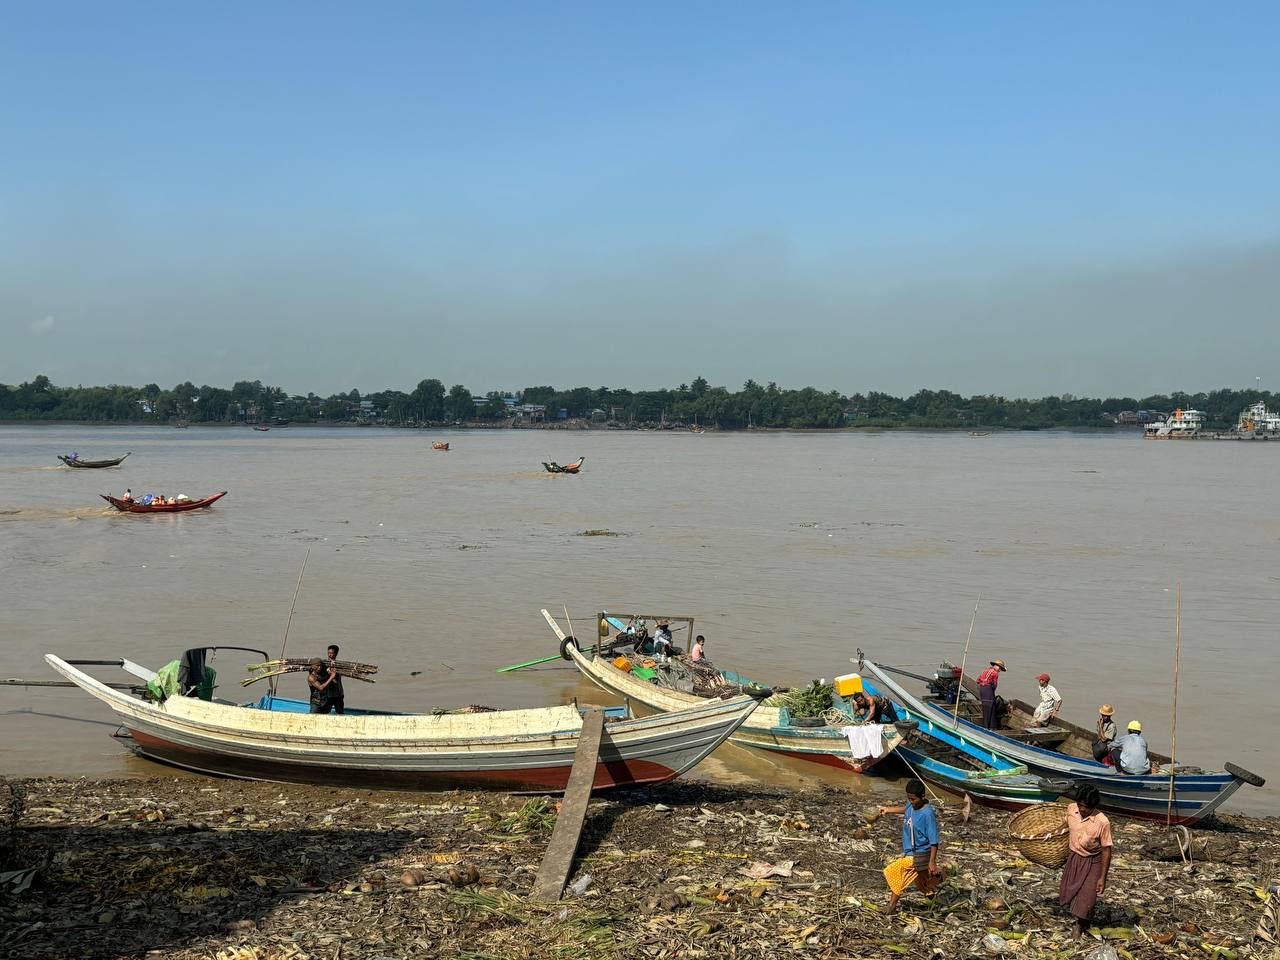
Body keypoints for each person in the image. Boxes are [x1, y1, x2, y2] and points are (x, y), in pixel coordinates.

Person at [879, 779, 942, 914]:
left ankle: (891, 906)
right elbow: (906, 809)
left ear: (922, 797)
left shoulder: (927, 814)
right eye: (909, 799)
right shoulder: (911, 805)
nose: (911, 802)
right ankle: (933, 902)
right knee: (922, 881)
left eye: (913, 799)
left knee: (895, 871)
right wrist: (889, 810)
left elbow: (934, 841)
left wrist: (932, 862)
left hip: (920, 853)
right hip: (910, 849)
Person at [1059, 785, 1112, 939]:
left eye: (1087, 807)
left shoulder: (1102, 822)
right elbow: (1065, 826)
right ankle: (1085, 918)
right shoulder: (1071, 809)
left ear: (1094, 806)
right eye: (1080, 805)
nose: (1082, 809)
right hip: (1075, 856)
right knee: (1073, 890)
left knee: (1088, 894)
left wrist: (1103, 877)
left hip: (1093, 860)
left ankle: (1079, 924)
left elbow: (1107, 850)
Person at [975, 659, 1006, 729]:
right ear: (996, 666)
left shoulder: (985, 670)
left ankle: (988, 726)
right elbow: (995, 685)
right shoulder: (995, 673)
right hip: (988, 690)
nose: (999, 670)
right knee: (990, 708)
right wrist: (990, 688)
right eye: (1000, 668)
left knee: (986, 708)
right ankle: (988, 727)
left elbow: (978, 680)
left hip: (982, 690)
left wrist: (983, 685)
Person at [324, 644, 345, 714]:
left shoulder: (339, 665)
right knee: (325, 712)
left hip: (338, 694)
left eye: (331, 653)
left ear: (336, 654)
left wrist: (331, 674)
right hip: (328, 694)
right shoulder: (324, 665)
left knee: (340, 712)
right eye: (328, 653)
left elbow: (336, 681)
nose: (329, 655)